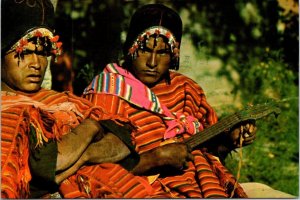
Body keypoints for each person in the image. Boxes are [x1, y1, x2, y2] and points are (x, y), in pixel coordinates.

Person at [80, 3, 296, 198]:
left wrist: (230, 139)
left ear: (174, 55)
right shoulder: (108, 92)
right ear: (130, 48)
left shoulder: (186, 88)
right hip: (147, 189)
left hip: (204, 184)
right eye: (145, 49)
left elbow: (210, 151)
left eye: (163, 53)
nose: (153, 62)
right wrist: (154, 159)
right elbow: (92, 166)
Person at [1, 1, 192, 198]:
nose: (36, 64)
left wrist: (83, 154)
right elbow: (47, 165)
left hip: (121, 187)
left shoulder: (64, 100)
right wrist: (91, 129)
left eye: (42, 53)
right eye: (24, 53)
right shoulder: (7, 113)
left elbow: (123, 139)